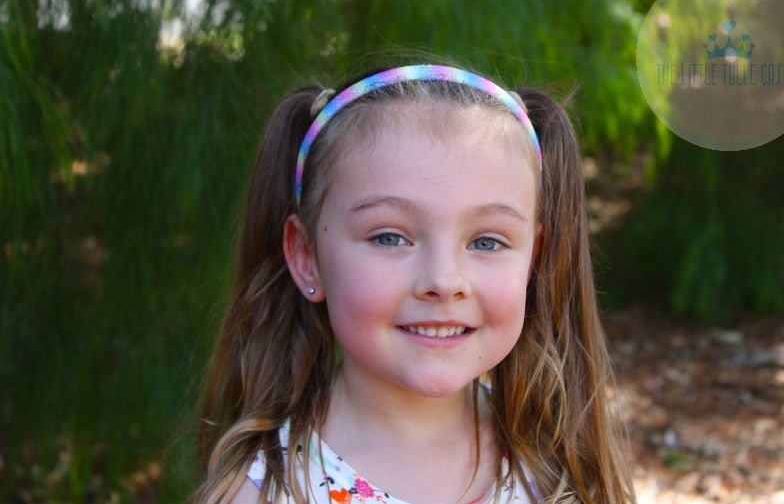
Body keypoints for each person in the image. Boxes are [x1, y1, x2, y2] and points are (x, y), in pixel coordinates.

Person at [189, 63, 636, 504]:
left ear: (533, 261)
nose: (443, 281)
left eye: (486, 242)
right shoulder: (263, 494)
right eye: (389, 237)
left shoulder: (558, 465)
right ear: (307, 257)